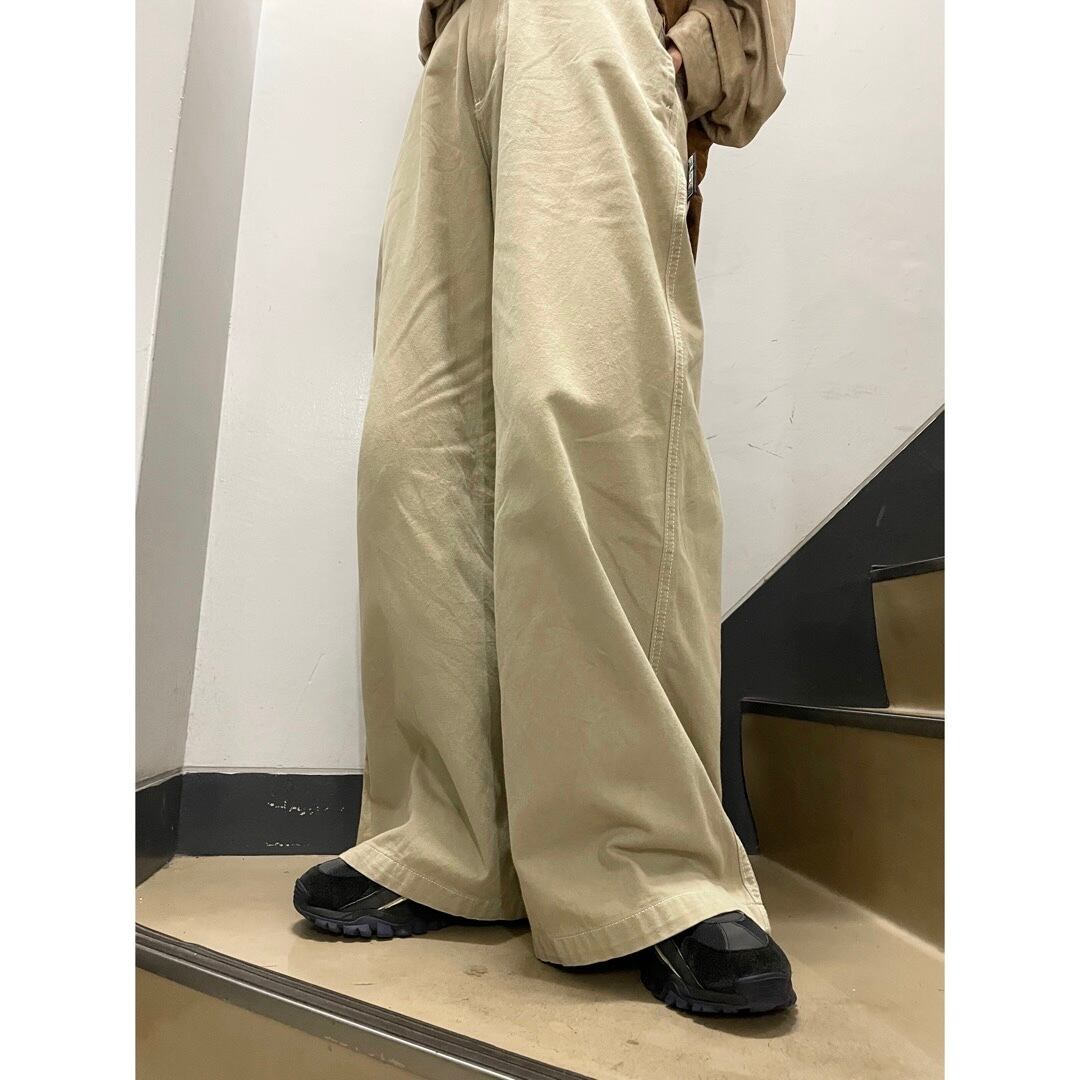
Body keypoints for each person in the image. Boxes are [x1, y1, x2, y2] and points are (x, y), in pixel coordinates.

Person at [294, 0, 797, 1017]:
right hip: (463, 47)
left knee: (586, 414)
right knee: (418, 451)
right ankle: (447, 839)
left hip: (593, 22)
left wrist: (699, 55)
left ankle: (646, 864)